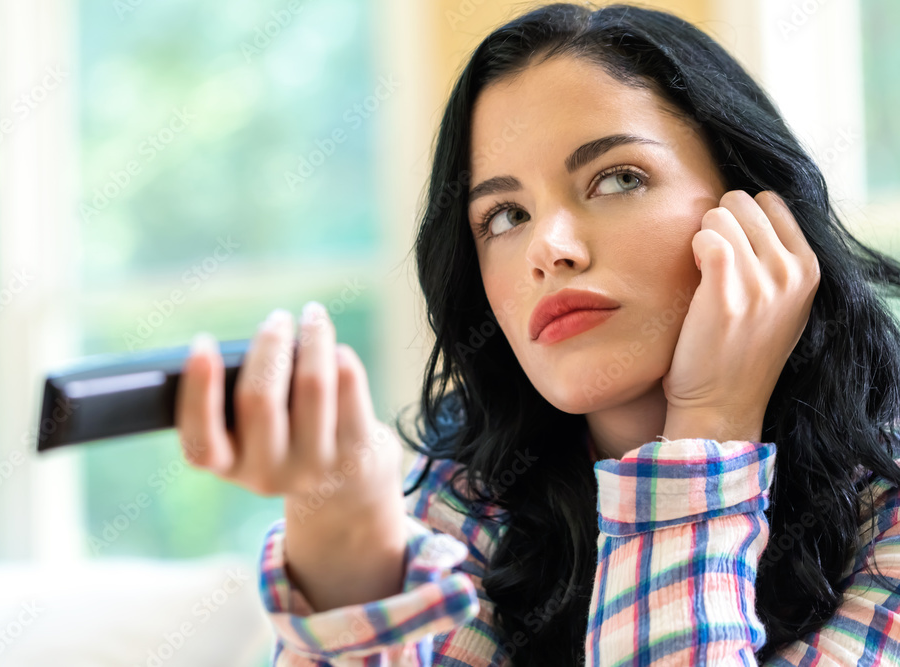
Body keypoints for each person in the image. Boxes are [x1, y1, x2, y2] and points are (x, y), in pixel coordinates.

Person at [174, 3, 900, 665]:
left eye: (617, 179)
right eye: (504, 216)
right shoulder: (474, 492)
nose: (547, 246)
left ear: (758, 217)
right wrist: (346, 547)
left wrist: (709, 425)